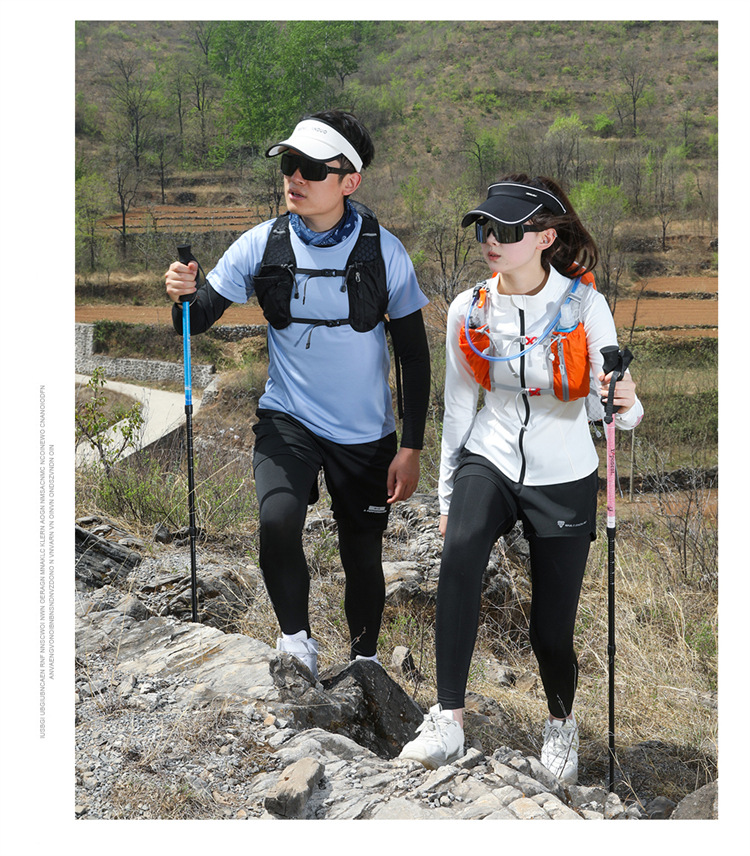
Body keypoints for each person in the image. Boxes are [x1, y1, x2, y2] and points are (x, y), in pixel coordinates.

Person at [165, 110, 430, 679]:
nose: (295, 177)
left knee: (362, 554)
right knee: (277, 520)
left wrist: (411, 447)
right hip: (288, 416)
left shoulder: (385, 253)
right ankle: (296, 644)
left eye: (311, 167)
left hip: (365, 431)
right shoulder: (262, 243)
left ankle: (364, 664)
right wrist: (183, 294)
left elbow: (413, 355)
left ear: (350, 181)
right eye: (290, 164)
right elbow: (195, 320)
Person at [399, 175, 643, 783]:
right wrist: (448, 497)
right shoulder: (469, 309)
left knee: (550, 632)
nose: (491, 240)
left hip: (564, 469)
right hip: (493, 452)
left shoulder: (584, 307)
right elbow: (459, 406)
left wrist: (623, 401)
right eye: (484, 228)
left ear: (544, 239)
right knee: (459, 555)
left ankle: (560, 724)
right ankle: (448, 719)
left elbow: (618, 410)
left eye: (506, 230)